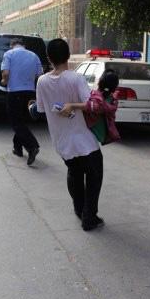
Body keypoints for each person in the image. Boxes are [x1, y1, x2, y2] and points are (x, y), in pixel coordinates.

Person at [35, 38, 105, 231]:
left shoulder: (42, 81)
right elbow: (92, 106)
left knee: (74, 172)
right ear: (68, 56)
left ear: (49, 58)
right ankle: (89, 217)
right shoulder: (75, 78)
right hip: (85, 141)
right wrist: (73, 105)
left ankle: (79, 209)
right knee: (94, 176)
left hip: (62, 141)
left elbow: (41, 108)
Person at [0, 38, 43, 165]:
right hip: (29, 92)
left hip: (14, 92)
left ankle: (32, 146)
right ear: (23, 45)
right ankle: (17, 148)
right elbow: (39, 75)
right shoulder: (34, 55)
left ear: (12, 45)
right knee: (21, 121)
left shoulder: (9, 54)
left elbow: (6, 74)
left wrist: (3, 82)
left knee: (16, 123)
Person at [67, 69, 121, 145]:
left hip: (94, 131)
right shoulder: (112, 99)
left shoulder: (98, 99)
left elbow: (92, 106)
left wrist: (71, 105)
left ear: (100, 82)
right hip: (103, 132)